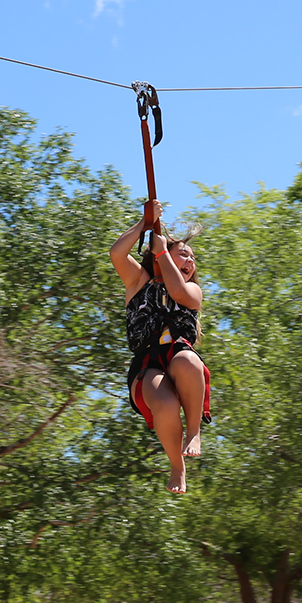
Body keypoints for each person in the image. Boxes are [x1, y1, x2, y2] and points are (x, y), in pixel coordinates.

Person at [110, 201, 210, 494]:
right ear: (155, 259)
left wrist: (164, 251)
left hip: (179, 354)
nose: (190, 262)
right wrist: (145, 222)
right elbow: (117, 253)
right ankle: (177, 465)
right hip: (148, 362)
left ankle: (194, 432)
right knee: (165, 404)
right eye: (184, 255)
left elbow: (176, 290)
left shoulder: (192, 291)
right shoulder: (138, 282)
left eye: (192, 259)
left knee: (187, 361)